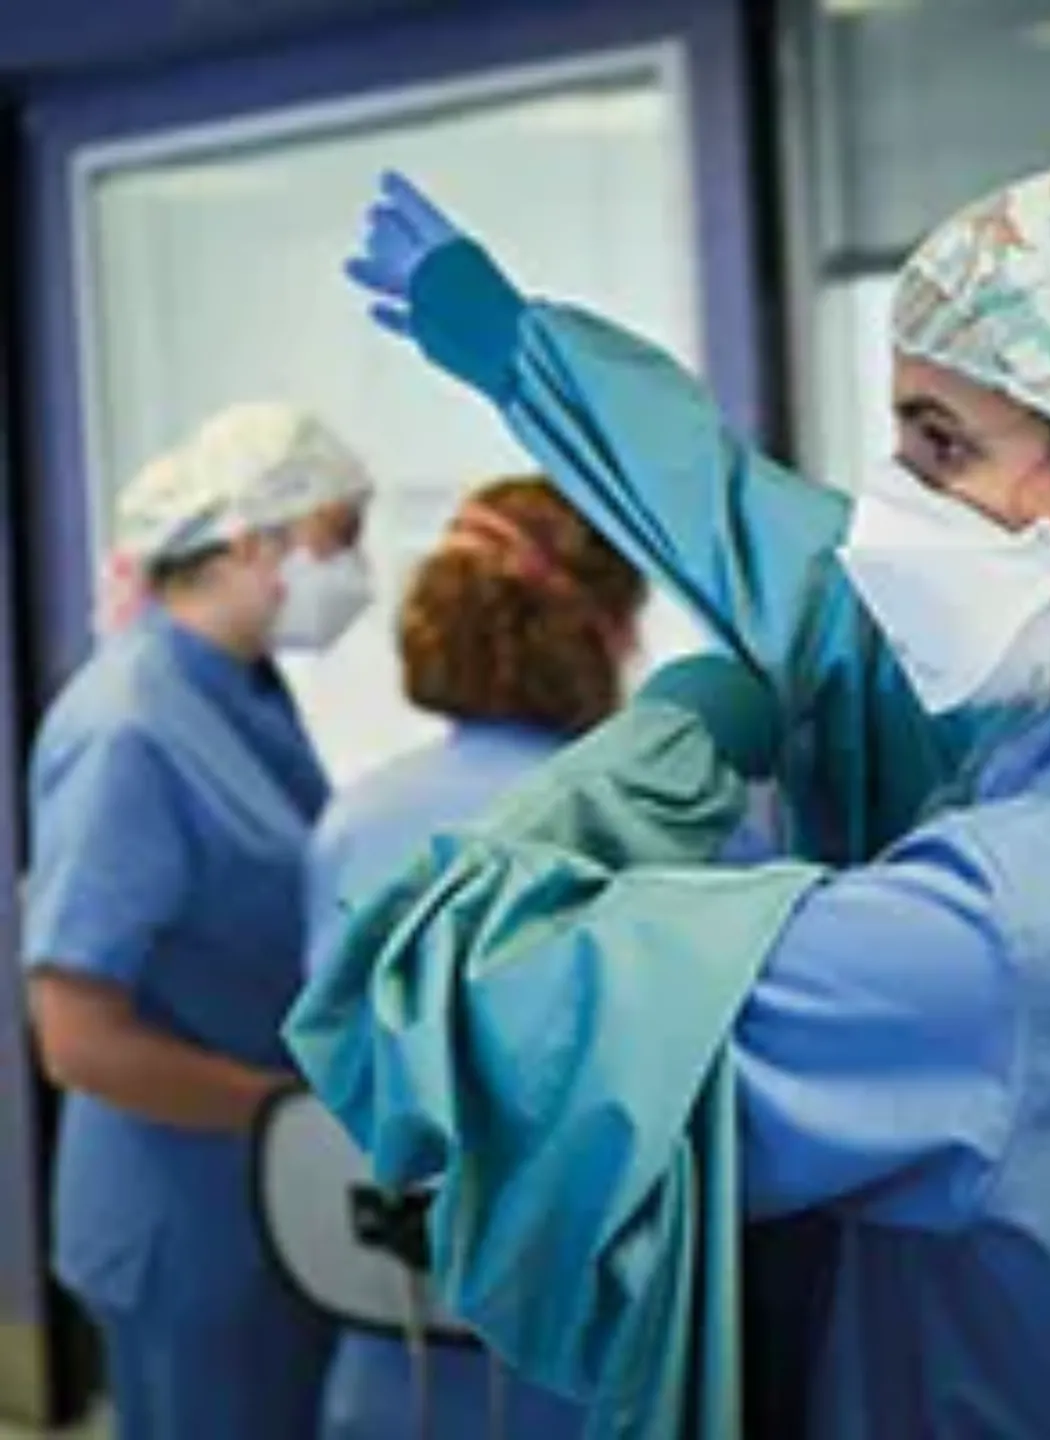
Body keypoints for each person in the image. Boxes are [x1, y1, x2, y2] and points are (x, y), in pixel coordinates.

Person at [302, 161, 1050, 1436]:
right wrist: (527, 355)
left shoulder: (997, 932)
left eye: (938, 443)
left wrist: (662, 746)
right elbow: (797, 570)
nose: (890, 505)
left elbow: (452, 1007)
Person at [24, 401, 375, 1440]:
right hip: (184, 1214)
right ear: (255, 541)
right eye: (339, 539)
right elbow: (76, 1037)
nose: (358, 569)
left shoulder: (243, 691)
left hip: (258, 1202)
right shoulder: (130, 728)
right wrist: (286, 1118)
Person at [306, 476, 647, 1440]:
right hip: (581, 1347)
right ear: (605, 630)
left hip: (393, 1333)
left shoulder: (356, 820)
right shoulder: (655, 822)